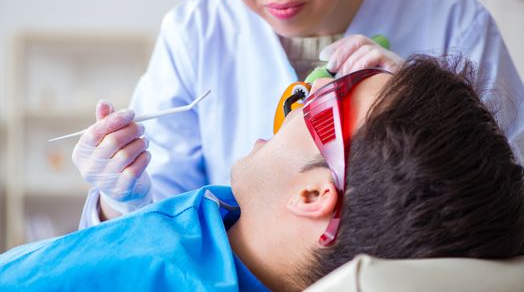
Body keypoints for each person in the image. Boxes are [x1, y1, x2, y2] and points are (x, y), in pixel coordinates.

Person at [74, 0, 524, 226]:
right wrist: (120, 199)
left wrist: (428, 107)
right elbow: (161, 224)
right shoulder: (196, 31)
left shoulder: (451, 19)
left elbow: (509, 192)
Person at [1, 56, 524, 291]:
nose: (303, 94)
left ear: (316, 192)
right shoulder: (233, 222)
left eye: (329, 102)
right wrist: (122, 206)